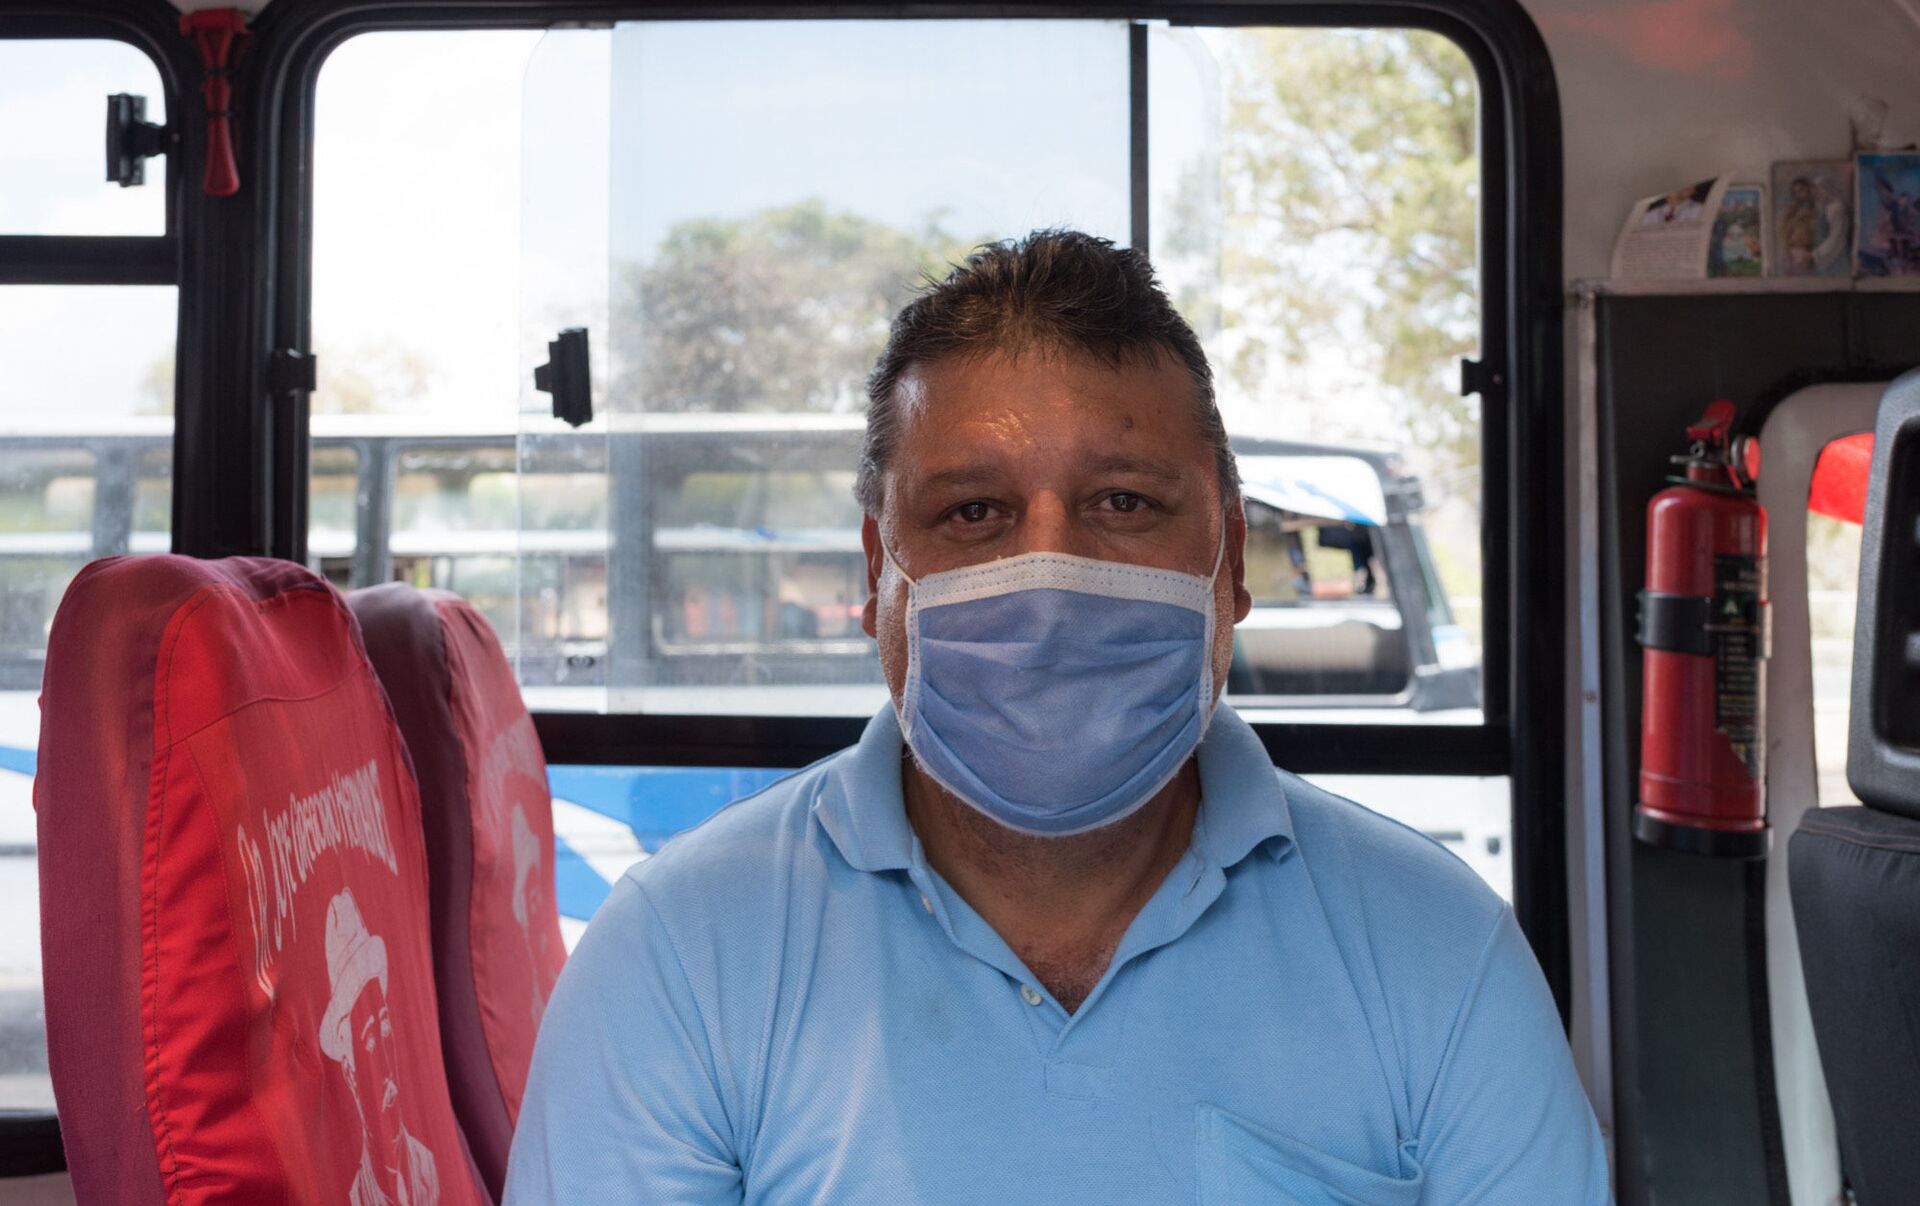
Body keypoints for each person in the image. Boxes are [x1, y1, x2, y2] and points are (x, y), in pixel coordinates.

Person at [505, 231, 1609, 1203]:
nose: (1049, 582)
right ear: (879, 572)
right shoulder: (680, 955)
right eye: (973, 511)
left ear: (1229, 561)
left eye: (1123, 502)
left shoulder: (1436, 948)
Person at [318, 889, 443, 1206]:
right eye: (371, 1040)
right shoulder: (356, 1198)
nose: (386, 1064)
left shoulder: (427, 1167)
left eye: (387, 1031)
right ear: (350, 1072)